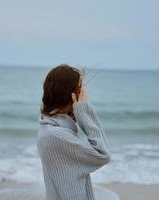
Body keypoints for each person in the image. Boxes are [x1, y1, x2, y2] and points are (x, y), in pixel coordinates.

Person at [37, 64, 111, 200]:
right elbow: (103, 154)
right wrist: (84, 110)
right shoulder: (56, 135)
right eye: (81, 90)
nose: (84, 95)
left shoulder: (50, 127)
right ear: (72, 96)